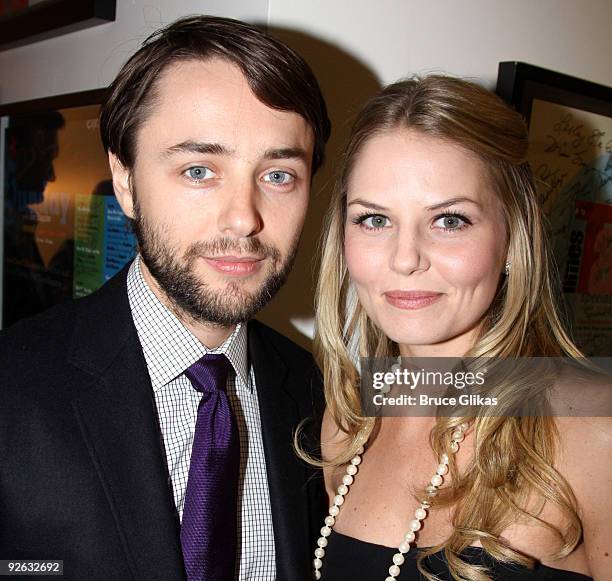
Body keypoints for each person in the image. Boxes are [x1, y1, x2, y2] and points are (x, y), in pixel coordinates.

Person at [0, 15, 330, 581]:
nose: (244, 218)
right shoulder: (13, 386)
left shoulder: (313, 388)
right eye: (200, 169)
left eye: (278, 175)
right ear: (126, 183)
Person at [304, 76, 610, 580]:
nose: (405, 259)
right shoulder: (348, 421)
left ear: (513, 239)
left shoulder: (593, 432)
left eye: (449, 220)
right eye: (374, 220)